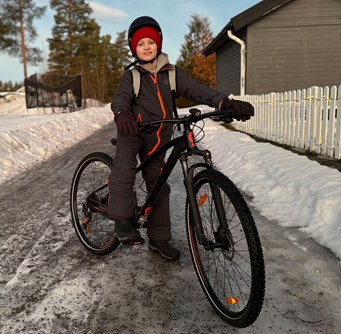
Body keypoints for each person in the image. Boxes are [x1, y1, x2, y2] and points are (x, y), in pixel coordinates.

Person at [107, 16, 254, 261]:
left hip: (160, 135)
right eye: (140, 43)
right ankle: (122, 220)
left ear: (159, 44)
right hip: (132, 131)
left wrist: (224, 102)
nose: (146, 47)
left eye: (150, 42)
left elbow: (197, 89)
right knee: (125, 166)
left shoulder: (172, 74)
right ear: (134, 48)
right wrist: (122, 114)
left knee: (159, 185)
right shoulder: (131, 77)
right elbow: (120, 98)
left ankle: (159, 239)